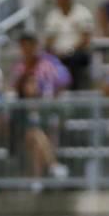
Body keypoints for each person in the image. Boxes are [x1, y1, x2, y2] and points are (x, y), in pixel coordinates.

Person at [9, 32, 70, 179]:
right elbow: (13, 88)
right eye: (23, 46)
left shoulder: (48, 64)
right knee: (35, 135)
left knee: (38, 139)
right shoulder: (19, 68)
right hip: (22, 123)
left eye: (29, 45)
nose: (26, 49)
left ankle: (37, 181)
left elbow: (64, 80)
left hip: (45, 114)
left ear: (35, 46)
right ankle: (54, 166)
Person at [44, 0, 94, 91]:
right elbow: (49, 40)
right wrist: (54, 52)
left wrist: (69, 51)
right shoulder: (52, 16)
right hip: (58, 54)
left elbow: (85, 39)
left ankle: (74, 91)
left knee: (73, 60)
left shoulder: (82, 12)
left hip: (77, 52)